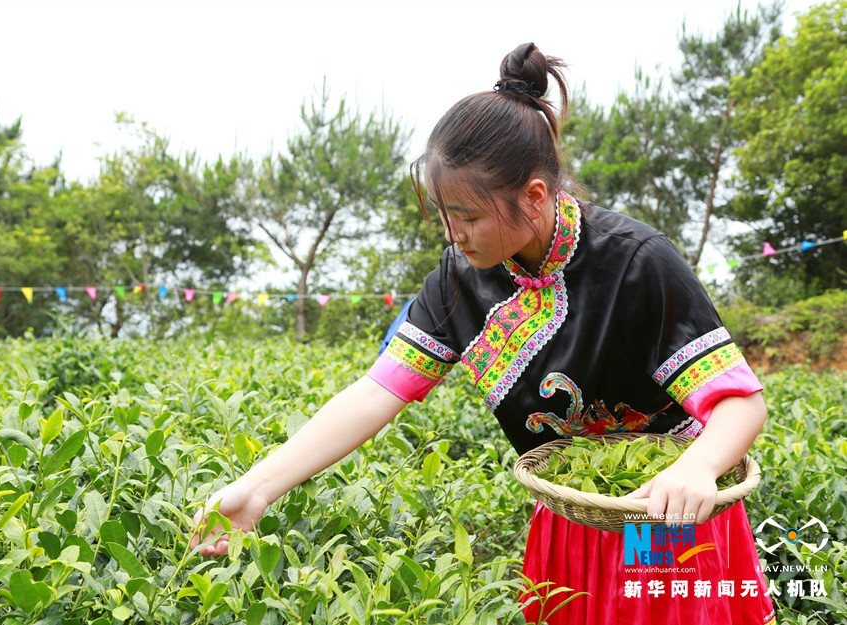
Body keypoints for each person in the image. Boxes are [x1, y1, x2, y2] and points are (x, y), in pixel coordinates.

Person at [192, 42, 775, 624]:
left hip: (664, 514)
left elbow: (740, 405)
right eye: (444, 214)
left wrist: (696, 468)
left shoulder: (636, 263)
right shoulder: (461, 281)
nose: (453, 234)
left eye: (467, 217)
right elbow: (378, 391)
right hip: (571, 519)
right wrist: (259, 487)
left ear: (534, 197)